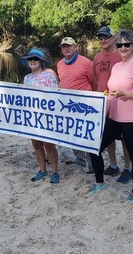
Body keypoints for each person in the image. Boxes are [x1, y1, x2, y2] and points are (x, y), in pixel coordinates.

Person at [86, 29, 133, 202]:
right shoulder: (117, 65)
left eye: (127, 44)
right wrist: (104, 112)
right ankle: (100, 183)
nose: (123, 48)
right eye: (120, 45)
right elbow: (111, 94)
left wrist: (125, 93)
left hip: (132, 120)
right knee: (94, 148)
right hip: (113, 117)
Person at [92, 26, 132, 183]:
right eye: (100, 38)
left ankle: (128, 167)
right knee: (107, 136)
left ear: (113, 38)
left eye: (106, 37)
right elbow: (95, 79)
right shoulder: (96, 58)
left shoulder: (121, 55)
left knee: (124, 138)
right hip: (103, 102)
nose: (103, 40)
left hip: (121, 103)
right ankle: (113, 164)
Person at [21, 48, 60, 184]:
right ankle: (42, 170)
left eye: (35, 59)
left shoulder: (49, 76)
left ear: (41, 61)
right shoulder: (27, 78)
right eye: (30, 59)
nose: (32, 61)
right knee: (36, 145)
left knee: (49, 145)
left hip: (46, 117)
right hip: (32, 117)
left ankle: (55, 172)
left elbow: (55, 96)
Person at [56, 37, 95, 173]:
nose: (66, 49)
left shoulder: (86, 62)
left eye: (69, 46)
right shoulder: (60, 64)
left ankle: (92, 164)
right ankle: (79, 159)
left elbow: (93, 81)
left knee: (87, 135)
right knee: (71, 133)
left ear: (75, 47)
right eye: (63, 47)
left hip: (84, 105)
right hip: (68, 105)